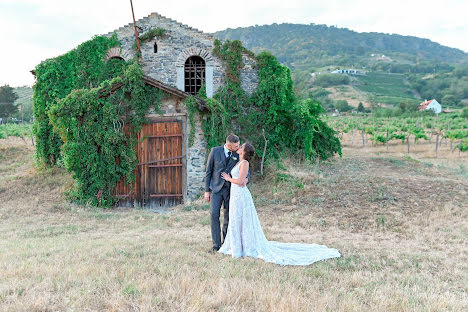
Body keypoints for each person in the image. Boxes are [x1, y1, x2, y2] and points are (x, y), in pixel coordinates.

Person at [218, 143, 341, 265]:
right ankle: (237, 246)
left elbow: (240, 181)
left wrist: (229, 179)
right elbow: (241, 178)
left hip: (240, 195)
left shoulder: (245, 163)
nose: (239, 147)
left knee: (243, 219)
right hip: (235, 195)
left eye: (241, 146)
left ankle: (244, 247)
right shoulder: (238, 161)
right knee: (236, 219)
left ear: (244, 151)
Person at [204, 134, 248, 252]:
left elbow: (244, 166)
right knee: (214, 215)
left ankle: (226, 243)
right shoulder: (215, 151)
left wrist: (246, 178)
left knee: (229, 216)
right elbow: (208, 172)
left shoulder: (237, 154)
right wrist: (207, 190)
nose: (238, 148)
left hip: (231, 190)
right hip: (216, 190)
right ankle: (215, 245)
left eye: (238, 146)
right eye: (236, 146)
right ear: (228, 145)